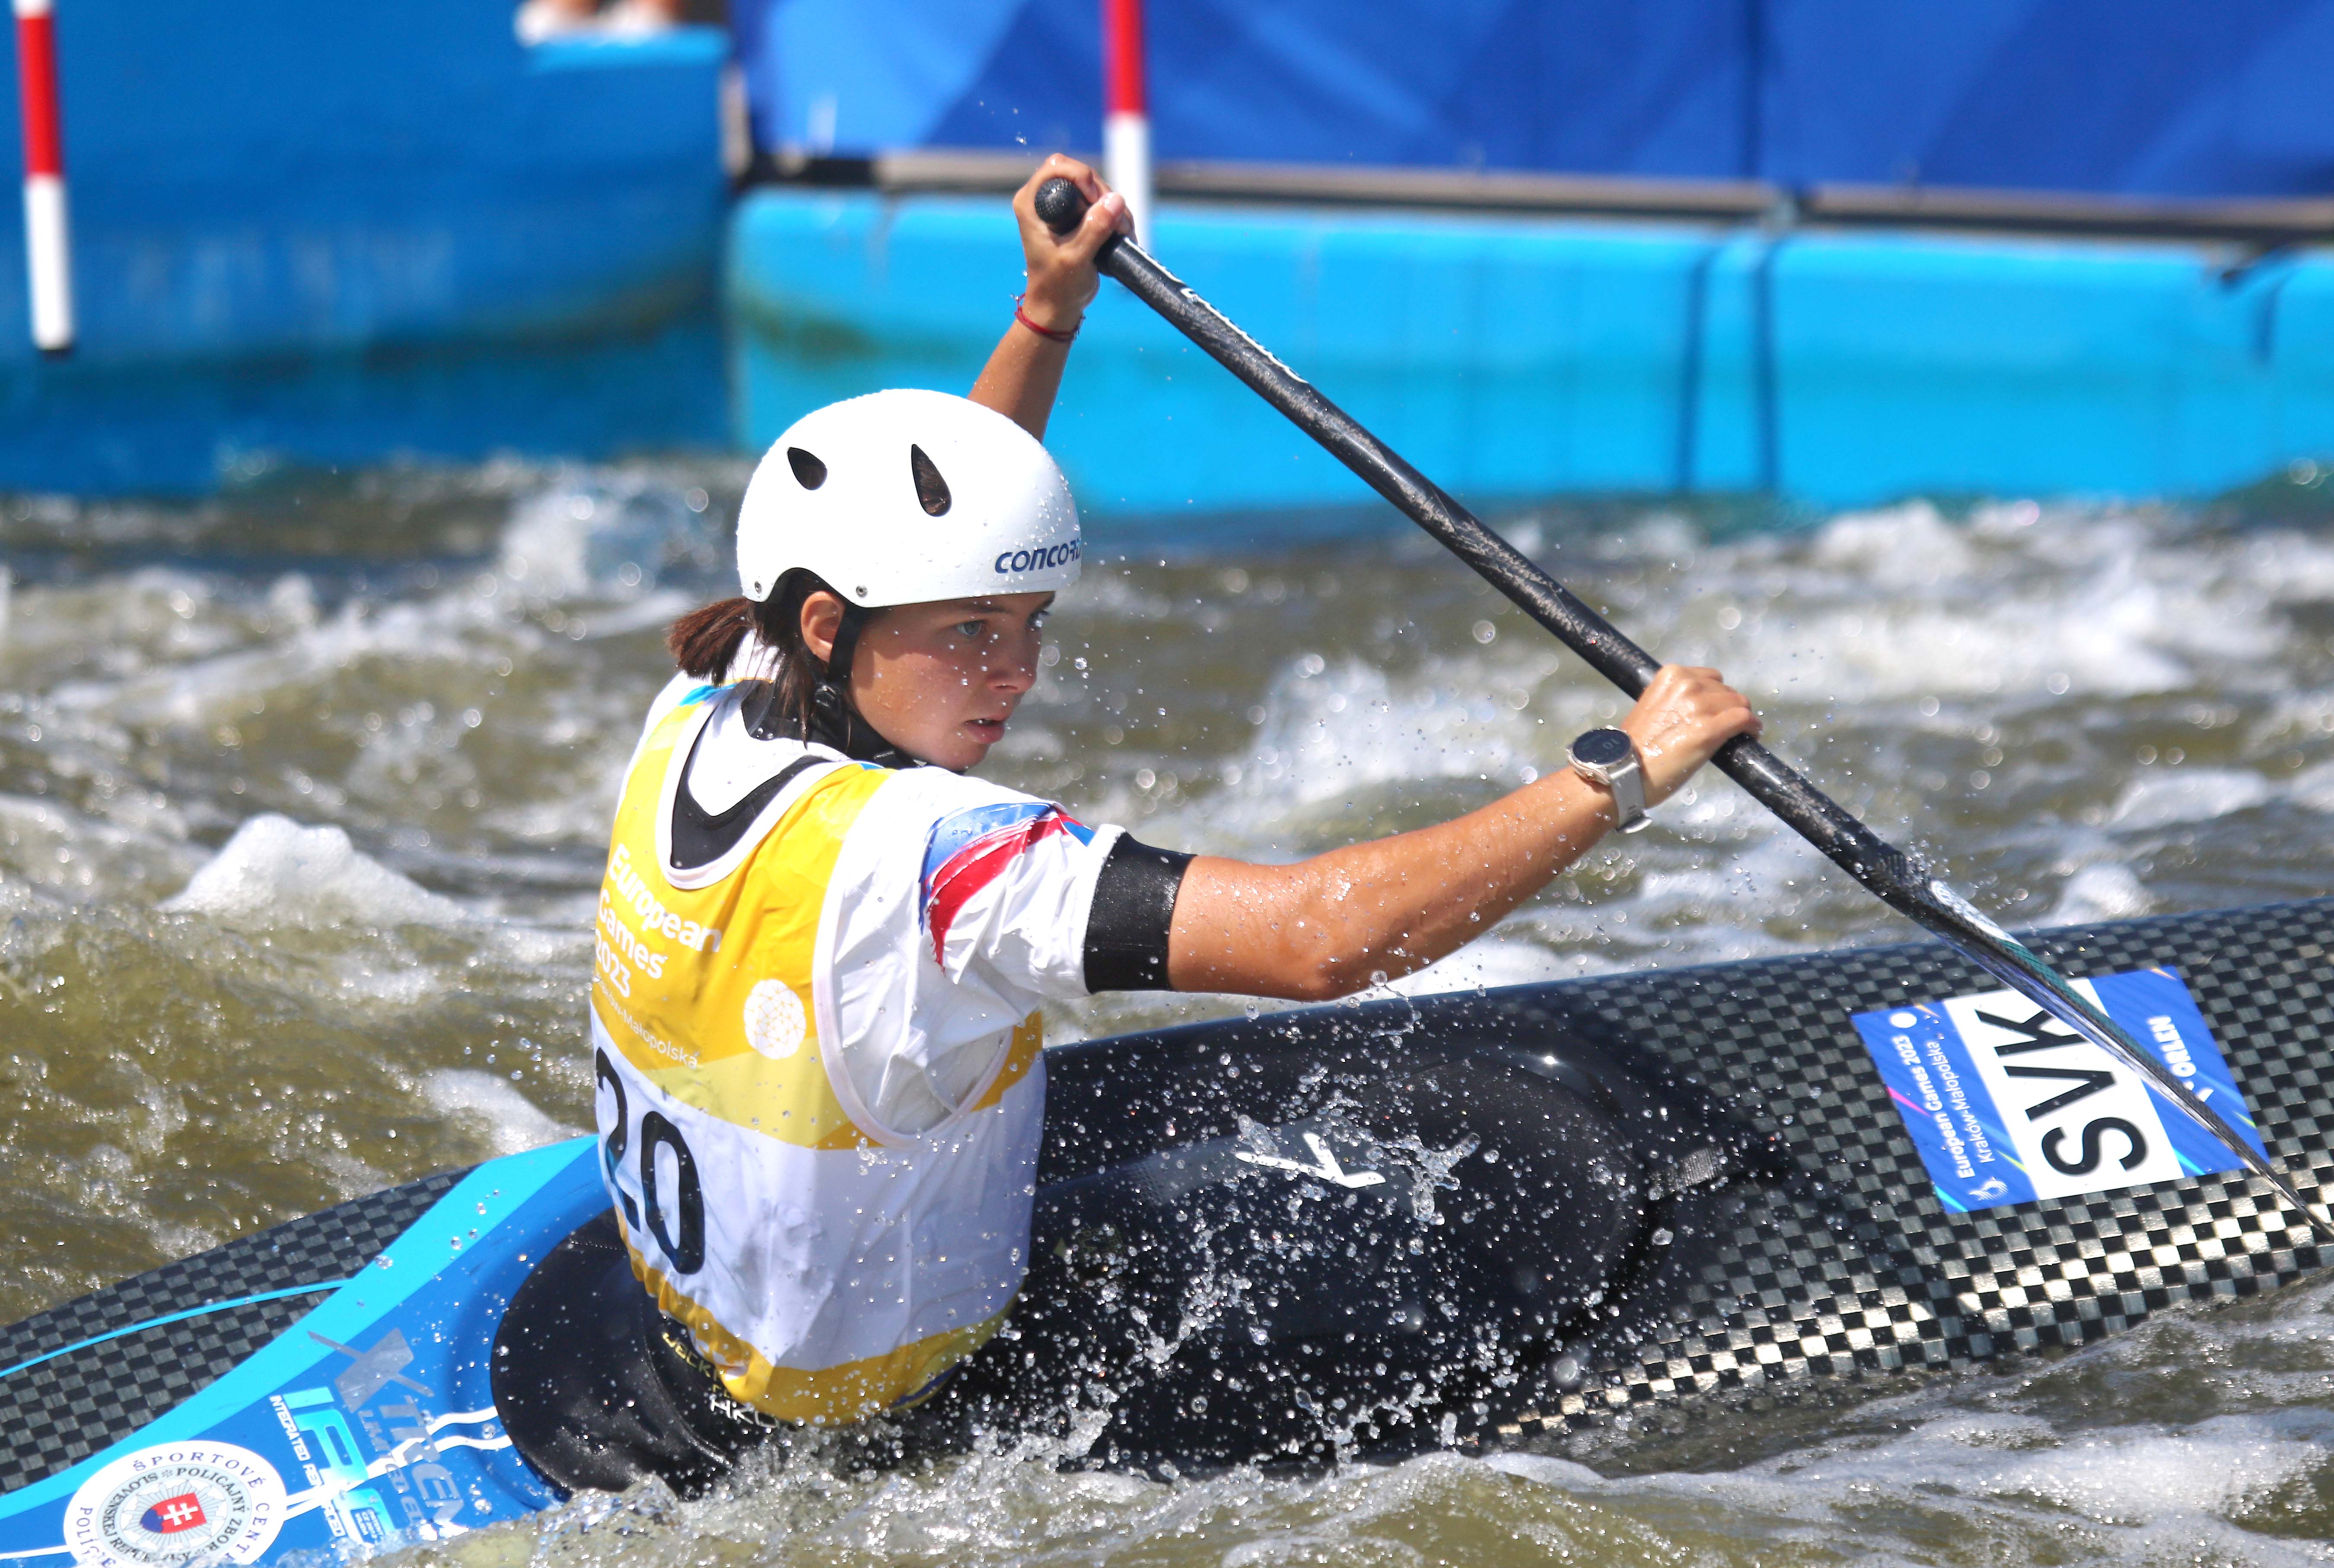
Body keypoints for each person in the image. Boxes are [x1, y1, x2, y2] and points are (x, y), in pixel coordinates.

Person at [579, 155, 1760, 1485]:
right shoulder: (939, 864)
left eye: (1029, 624)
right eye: (972, 635)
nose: (1015, 672)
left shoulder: (709, 697)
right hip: (902, 1446)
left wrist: (1046, 315)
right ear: (828, 627)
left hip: (715, 1352)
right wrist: (1623, 770)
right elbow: (1321, 945)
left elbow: (920, 537)